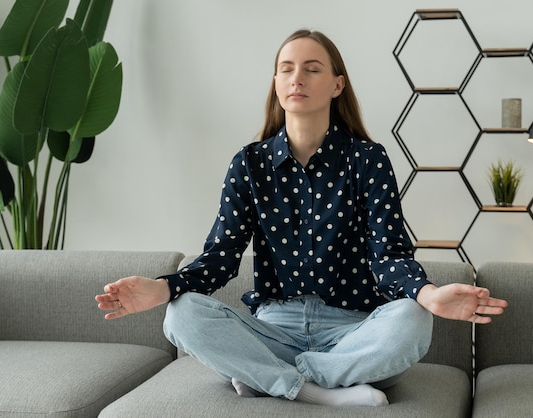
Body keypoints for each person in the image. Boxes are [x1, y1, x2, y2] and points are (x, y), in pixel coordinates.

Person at [95, 29, 507, 407]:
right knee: (182, 314)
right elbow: (220, 258)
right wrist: (163, 288)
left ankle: (271, 380)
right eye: (287, 69)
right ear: (276, 83)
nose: (298, 79)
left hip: (353, 333)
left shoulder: (367, 160)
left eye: (312, 69)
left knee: (413, 319)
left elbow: (389, 255)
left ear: (336, 85)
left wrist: (428, 294)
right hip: (273, 329)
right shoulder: (249, 164)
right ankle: (321, 391)